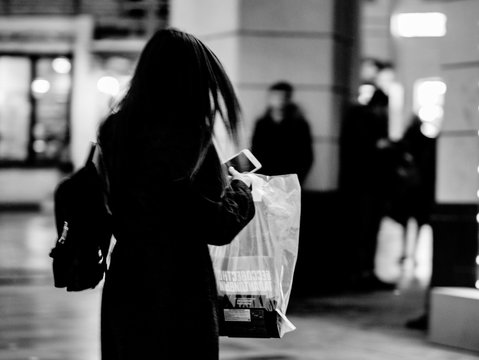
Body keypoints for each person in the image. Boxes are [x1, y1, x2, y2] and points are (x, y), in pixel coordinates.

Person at [97, 29, 256, 360]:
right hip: (181, 287)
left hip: (127, 277)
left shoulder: (114, 130)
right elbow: (217, 225)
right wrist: (241, 192)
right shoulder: (190, 138)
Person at [339, 84, 396, 291]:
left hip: (363, 186)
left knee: (363, 231)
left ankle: (362, 272)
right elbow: (368, 153)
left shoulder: (359, 118)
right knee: (364, 231)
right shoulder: (367, 121)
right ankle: (362, 273)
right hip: (367, 187)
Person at [251, 81, 313, 184]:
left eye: (284, 97)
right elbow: (255, 151)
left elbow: (306, 156)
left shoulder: (299, 125)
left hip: (289, 182)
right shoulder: (262, 124)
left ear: (289, 99)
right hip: (265, 180)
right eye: (276, 96)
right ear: (270, 98)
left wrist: (297, 179)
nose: (280, 100)